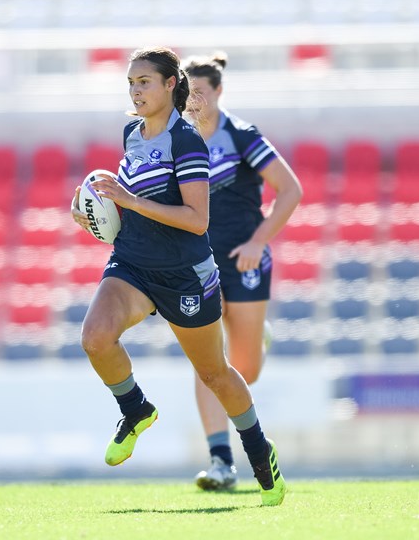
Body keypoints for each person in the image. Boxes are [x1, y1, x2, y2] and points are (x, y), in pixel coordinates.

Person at [70, 46, 286, 506]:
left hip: (185, 273)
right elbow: (124, 206)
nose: (135, 90)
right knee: (95, 337)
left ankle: (258, 451)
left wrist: (127, 201)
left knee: (215, 374)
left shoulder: (187, 139)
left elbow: (196, 220)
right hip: (132, 264)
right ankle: (136, 410)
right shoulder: (132, 132)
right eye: (130, 82)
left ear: (171, 85)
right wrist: (92, 212)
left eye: (144, 81)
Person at [182, 52, 303, 491]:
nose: (192, 101)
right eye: (185, 93)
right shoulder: (176, 138)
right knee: (208, 364)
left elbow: (290, 190)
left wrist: (257, 242)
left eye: (199, 92)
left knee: (244, 371)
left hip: (244, 263)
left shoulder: (242, 135)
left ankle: (258, 337)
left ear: (218, 91)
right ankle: (220, 462)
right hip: (197, 266)